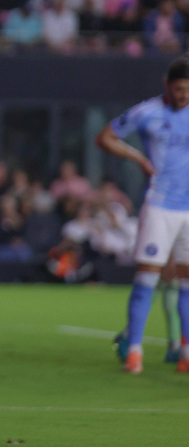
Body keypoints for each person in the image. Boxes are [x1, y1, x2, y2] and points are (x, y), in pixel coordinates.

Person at [95, 56, 189, 374]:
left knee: (187, 285)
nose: (183, 96)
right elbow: (105, 137)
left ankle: (185, 352)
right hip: (160, 206)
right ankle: (134, 351)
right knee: (147, 278)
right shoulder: (148, 112)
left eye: (188, 90)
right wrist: (137, 157)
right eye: (178, 89)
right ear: (167, 86)